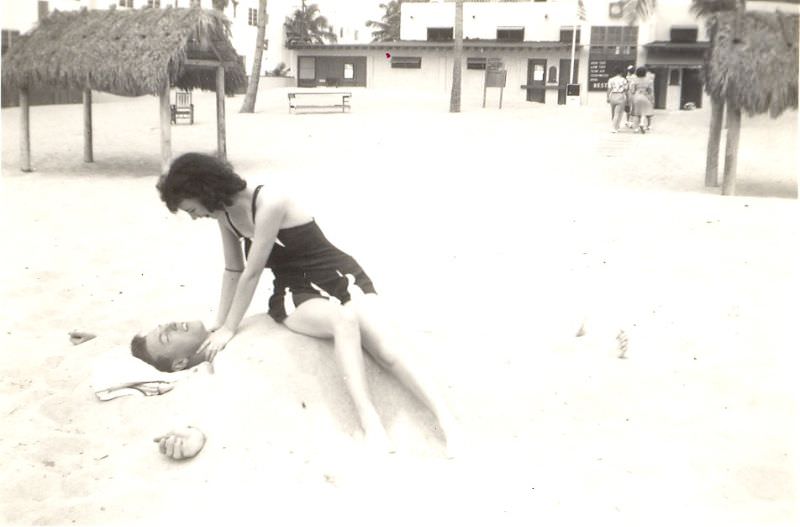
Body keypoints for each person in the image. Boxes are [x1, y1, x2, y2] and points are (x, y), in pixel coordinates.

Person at [149, 153, 461, 456]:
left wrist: (232, 326)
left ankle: (448, 423)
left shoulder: (270, 201)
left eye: (191, 209)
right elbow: (233, 269)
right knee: (343, 322)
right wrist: (221, 322)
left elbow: (253, 271)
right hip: (294, 289)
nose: (194, 217)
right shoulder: (225, 216)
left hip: (340, 276)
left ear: (204, 191)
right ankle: (370, 422)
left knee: (388, 351)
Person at [629, 66, 655, 134]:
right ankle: (642, 123)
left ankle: (636, 129)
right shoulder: (649, 80)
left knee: (636, 114)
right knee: (644, 112)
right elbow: (650, 91)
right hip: (645, 96)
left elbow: (632, 90)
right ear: (645, 73)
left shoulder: (634, 80)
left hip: (636, 96)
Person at [606, 69, 628, 133]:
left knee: (613, 113)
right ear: (621, 72)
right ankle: (614, 127)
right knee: (618, 113)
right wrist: (627, 99)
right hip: (620, 96)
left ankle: (616, 126)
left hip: (612, 96)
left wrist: (607, 97)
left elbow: (609, 89)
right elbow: (626, 90)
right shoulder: (624, 80)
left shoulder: (611, 79)